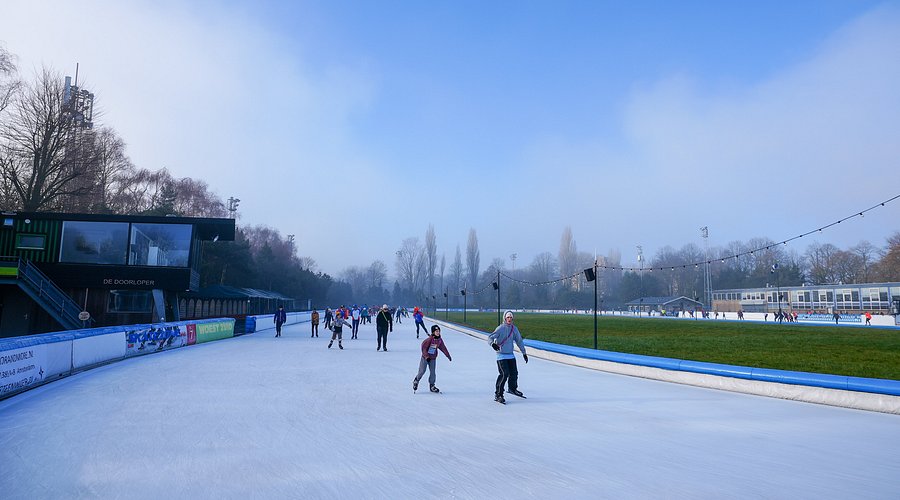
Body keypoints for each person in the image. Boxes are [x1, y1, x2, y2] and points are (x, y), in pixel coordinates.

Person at [488, 310, 528, 404]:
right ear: (505, 318)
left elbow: (519, 341)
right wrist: (493, 344)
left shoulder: (514, 329)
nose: (509, 319)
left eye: (511, 317)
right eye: (508, 317)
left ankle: (512, 388)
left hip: (510, 354)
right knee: (504, 374)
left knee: (514, 373)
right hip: (501, 355)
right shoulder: (500, 328)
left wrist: (524, 353)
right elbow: (490, 337)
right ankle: (498, 394)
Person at [413, 324, 452, 393]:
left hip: (433, 358)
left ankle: (432, 386)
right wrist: (427, 357)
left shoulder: (439, 340)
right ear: (433, 332)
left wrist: (447, 355)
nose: (438, 332)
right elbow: (423, 348)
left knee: (433, 373)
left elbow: (443, 348)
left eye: (439, 331)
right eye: (436, 331)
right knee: (422, 371)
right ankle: (416, 380)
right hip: (425, 358)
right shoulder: (429, 340)